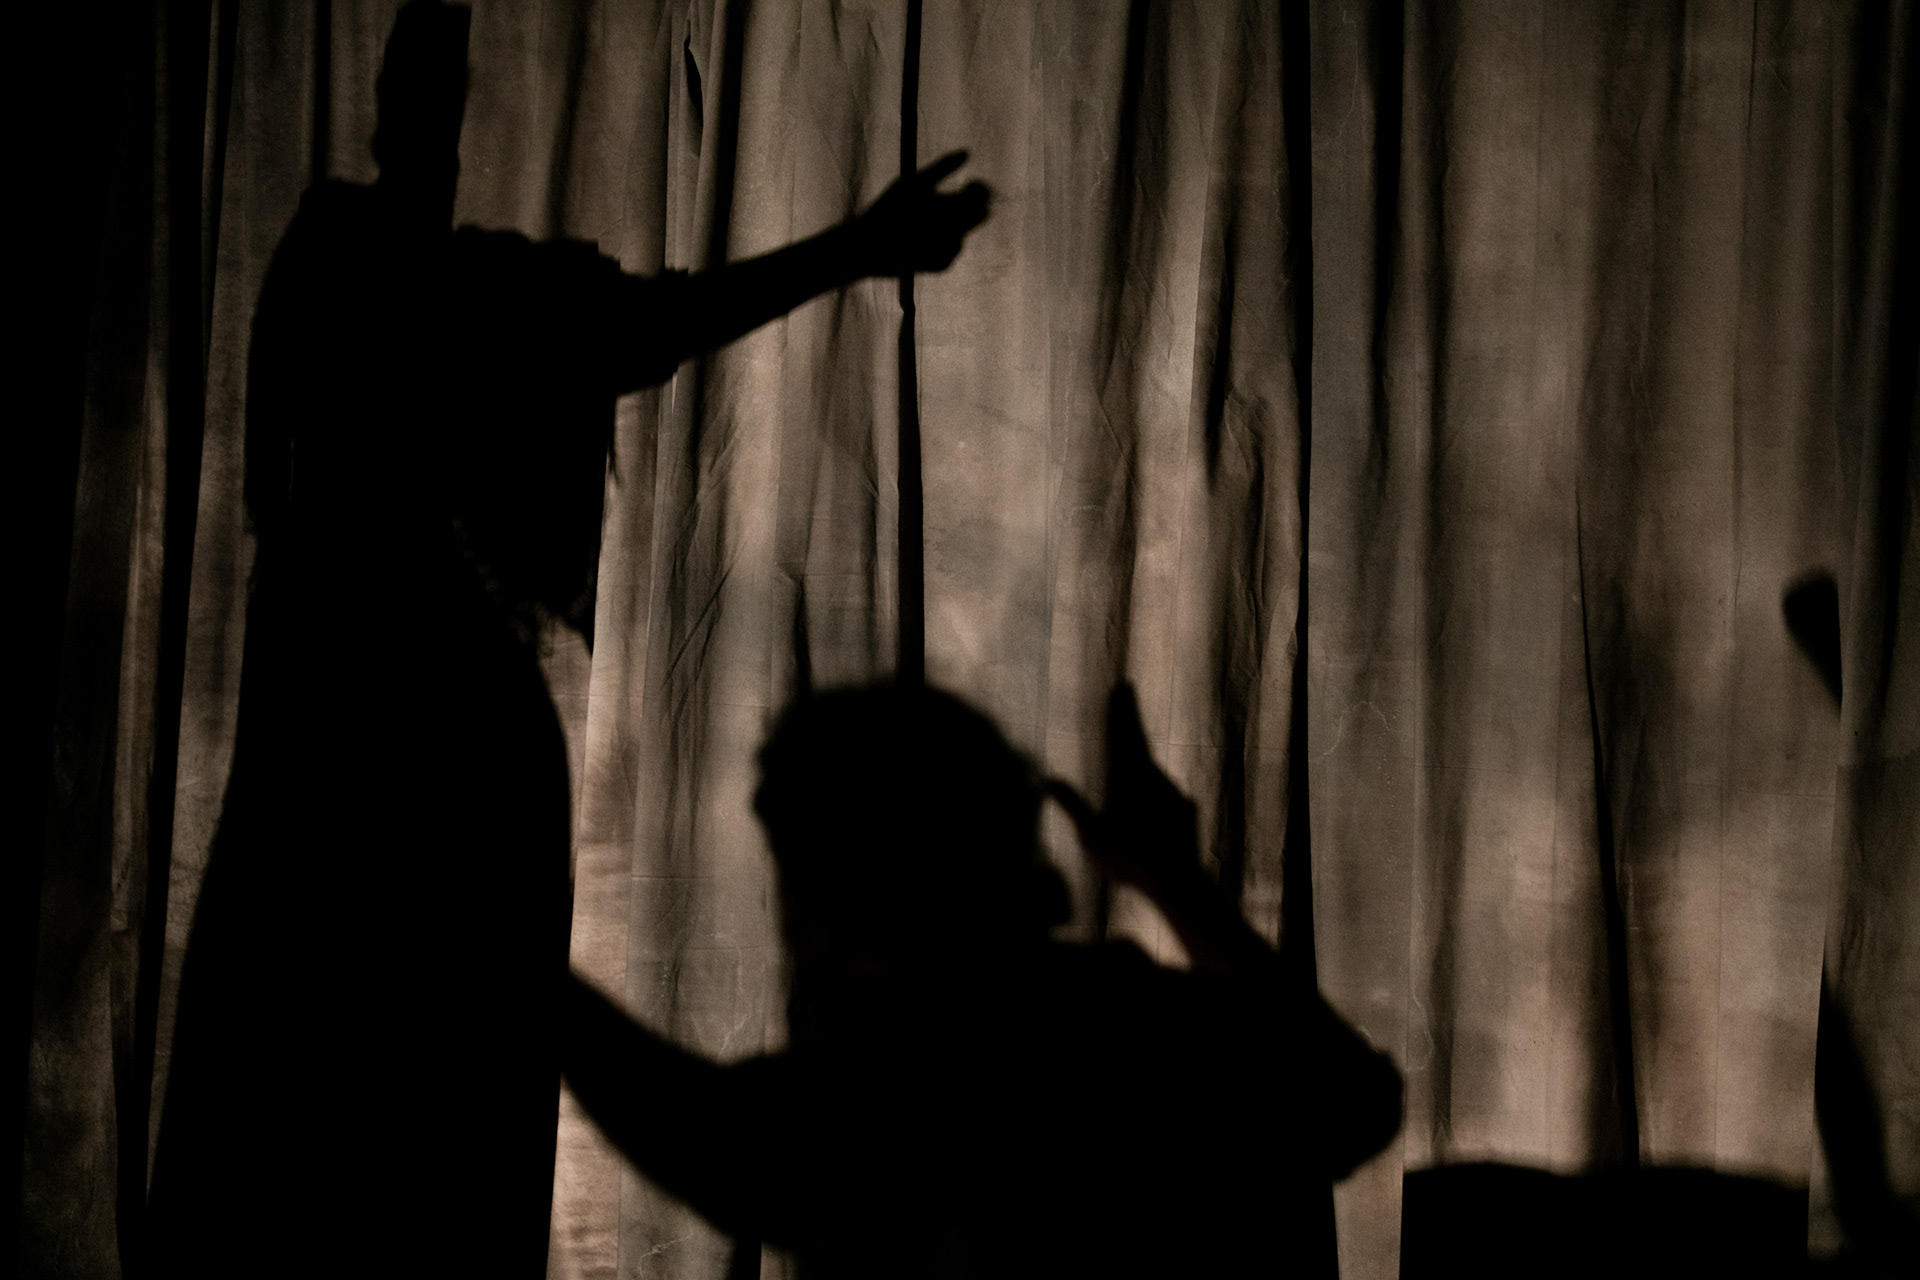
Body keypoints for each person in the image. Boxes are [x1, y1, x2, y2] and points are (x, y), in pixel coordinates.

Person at [146, 3, 988, 1276]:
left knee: (369, 1137)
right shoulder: (379, 285)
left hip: (405, 771)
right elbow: (632, 321)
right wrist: (854, 249)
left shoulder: (432, 340)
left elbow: (651, 320)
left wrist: (854, 249)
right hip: (369, 767)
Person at [560, 682, 1404, 1278]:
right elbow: (1352, 1099)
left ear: (823, 893)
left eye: (790, 870)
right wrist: (1175, 883)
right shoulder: (1133, 1017)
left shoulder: (913, 1074)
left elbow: (732, 1150)